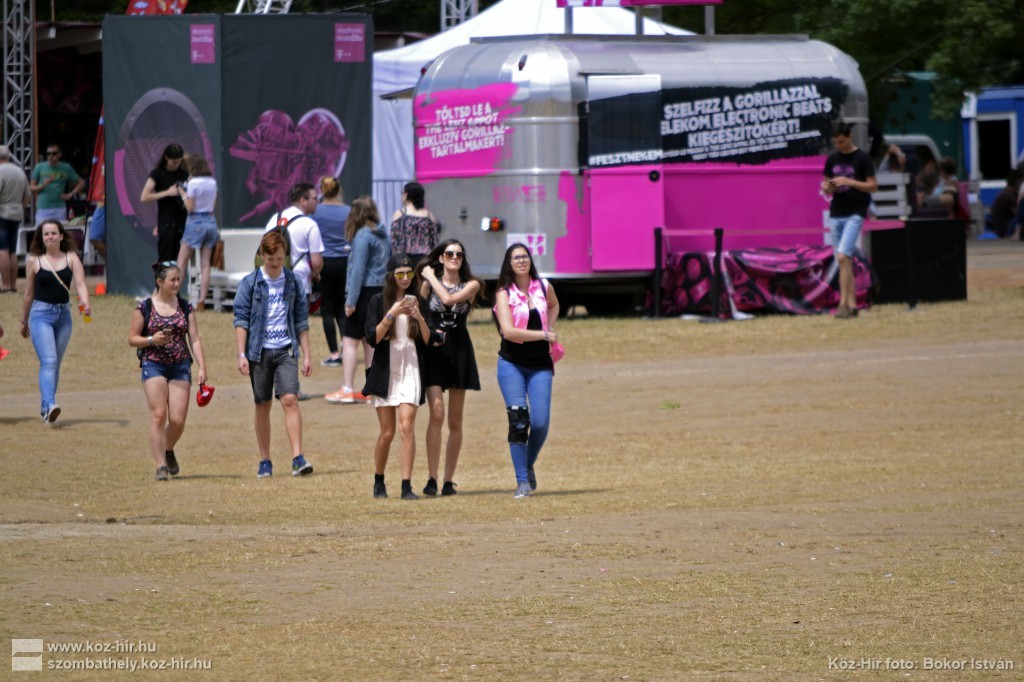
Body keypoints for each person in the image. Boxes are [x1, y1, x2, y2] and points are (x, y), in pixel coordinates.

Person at [233, 230, 314, 479]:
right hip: (259, 352)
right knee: (262, 403)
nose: (275, 263)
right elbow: (241, 320)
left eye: (279, 258)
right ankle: (265, 460)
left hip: (286, 349)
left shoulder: (293, 282)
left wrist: (307, 355)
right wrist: (241, 354)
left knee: (290, 399)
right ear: (262, 255)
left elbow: (301, 321)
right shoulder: (250, 283)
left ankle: (298, 458)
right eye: (271, 259)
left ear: (285, 255)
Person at [363, 255, 437, 500]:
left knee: (407, 426)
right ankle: (379, 480)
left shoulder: (419, 302)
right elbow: (372, 338)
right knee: (387, 432)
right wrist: (392, 313)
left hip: (411, 368)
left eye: (409, 273)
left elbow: (428, 340)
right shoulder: (378, 302)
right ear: (391, 276)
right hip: (385, 370)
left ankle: (406, 486)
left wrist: (419, 317)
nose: (405, 278)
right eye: (400, 274)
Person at [128, 261, 208, 481]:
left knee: (178, 420)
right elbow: (132, 339)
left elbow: (195, 339)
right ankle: (161, 465)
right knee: (159, 415)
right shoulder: (144, 307)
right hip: (153, 364)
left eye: (178, 279)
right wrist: (151, 340)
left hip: (180, 365)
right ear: (159, 281)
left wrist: (202, 367)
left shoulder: (185, 307)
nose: (176, 283)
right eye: (172, 280)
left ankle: (167, 448)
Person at [492, 243, 560, 498]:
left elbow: (554, 305)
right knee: (519, 422)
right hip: (511, 364)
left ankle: (527, 464)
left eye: (525, 256)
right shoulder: (503, 293)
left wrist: (549, 326)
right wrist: (544, 334)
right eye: (516, 258)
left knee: (540, 423)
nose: (521, 261)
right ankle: (522, 481)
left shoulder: (543, 286)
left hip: (540, 364)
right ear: (509, 264)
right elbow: (509, 332)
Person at [416, 238, 483, 496]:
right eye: (449, 253)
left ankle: (448, 480)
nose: (455, 257)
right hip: (435, 350)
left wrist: (430, 277)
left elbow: (447, 299)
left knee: (455, 419)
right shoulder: (427, 285)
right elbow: (420, 316)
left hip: (459, 351)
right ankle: (432, 478)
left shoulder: (472, 285)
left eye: (459, 254)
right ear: (441, 258)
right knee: (437, 414)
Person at [19, 219, 91, 425]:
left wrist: (85, 303)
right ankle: (51, 404)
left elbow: (81, 284)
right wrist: (24, 320)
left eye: (53, 233)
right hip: (41, 315)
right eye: (46, 234)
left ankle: (46, 409)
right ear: (41, 238)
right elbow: (29, 293)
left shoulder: (71, 258)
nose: (50, 237)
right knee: (49, 361)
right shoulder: (34, 261)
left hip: (64, 315)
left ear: (61, 236)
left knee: (55, 364)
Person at [325, 195, 390, 404]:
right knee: (370, 343)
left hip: (364, 294)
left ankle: (347, 388)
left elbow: (357, 271)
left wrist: (350, 301)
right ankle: (371, 389)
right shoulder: (383, 233)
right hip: (380, 292)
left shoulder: (362, 235)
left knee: (349, 342)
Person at [821, 121, 877, 320]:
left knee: (843, 257)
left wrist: (849, 181)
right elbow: (825, 184)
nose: (839, 146)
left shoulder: (862, 158)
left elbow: (873, 186)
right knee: (844, 261)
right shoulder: (832, 159)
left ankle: (842, 304)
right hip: (836, 212)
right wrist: (827, 187)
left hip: (856, 212)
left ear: (849, 137)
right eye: (836, 143)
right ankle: (853, 305)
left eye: (842, 142)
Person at [312, 176, 350, 367]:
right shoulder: (348, 211)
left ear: (322, 190)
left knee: (327, 308)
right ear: (339, 189)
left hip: (325, 262)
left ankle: (334, 354)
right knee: (341, 307)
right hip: (344, 261)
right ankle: (346, 349)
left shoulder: (316, 211)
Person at [175, 155, 218, 311]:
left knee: (181, 262)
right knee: (205, 265)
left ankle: (173, 298)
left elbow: (189, 207)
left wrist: (182, 193)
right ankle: (201, 301)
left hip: (195, 222)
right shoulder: (212, 182)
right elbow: (213, 203)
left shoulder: (193, 183)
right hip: (211, 221)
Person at [140, 143, 189, 264]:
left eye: (179, 162)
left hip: (182, 220)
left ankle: (177, 276)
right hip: (166, 221)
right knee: (165, 259)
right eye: (174, 162)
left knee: (179, 260)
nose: (176, 165)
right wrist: (167, 192)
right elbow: (144, 197)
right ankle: (162, 276)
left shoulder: (184, 173)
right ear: (166, 158)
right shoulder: (157, 173)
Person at [30, 144, 84, 227]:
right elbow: (31, 188)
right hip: (43, 208)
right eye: (48, 154)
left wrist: (70, 194)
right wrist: (42, 185)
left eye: (54, 153)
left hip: (60, 208)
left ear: (59, 155)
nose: (51, 156)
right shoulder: (39, 167)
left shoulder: (66, 168)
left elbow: (81, 183)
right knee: (42, 232)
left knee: (59, 232)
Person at [0, 145, 30, 292]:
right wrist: (20, 208)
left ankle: (5, 285)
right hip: (16, 213)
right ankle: (13, 285)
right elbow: (27, 195)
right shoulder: (20, 171)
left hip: (2, 212)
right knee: (12, 250)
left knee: (2, 249)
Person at [390, 181, 441, 265]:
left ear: (406, 194)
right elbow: (434, 241)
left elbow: (395, 241)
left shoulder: (400, 214)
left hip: (405, 259)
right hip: (425, 259)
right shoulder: (429, 215)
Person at [990, 169, 1023, 238]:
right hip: (1005, 232)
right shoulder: (1009, 197)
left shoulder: (1004, 194)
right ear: (1018, 181)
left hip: (1000, 230)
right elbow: (1020, 215)